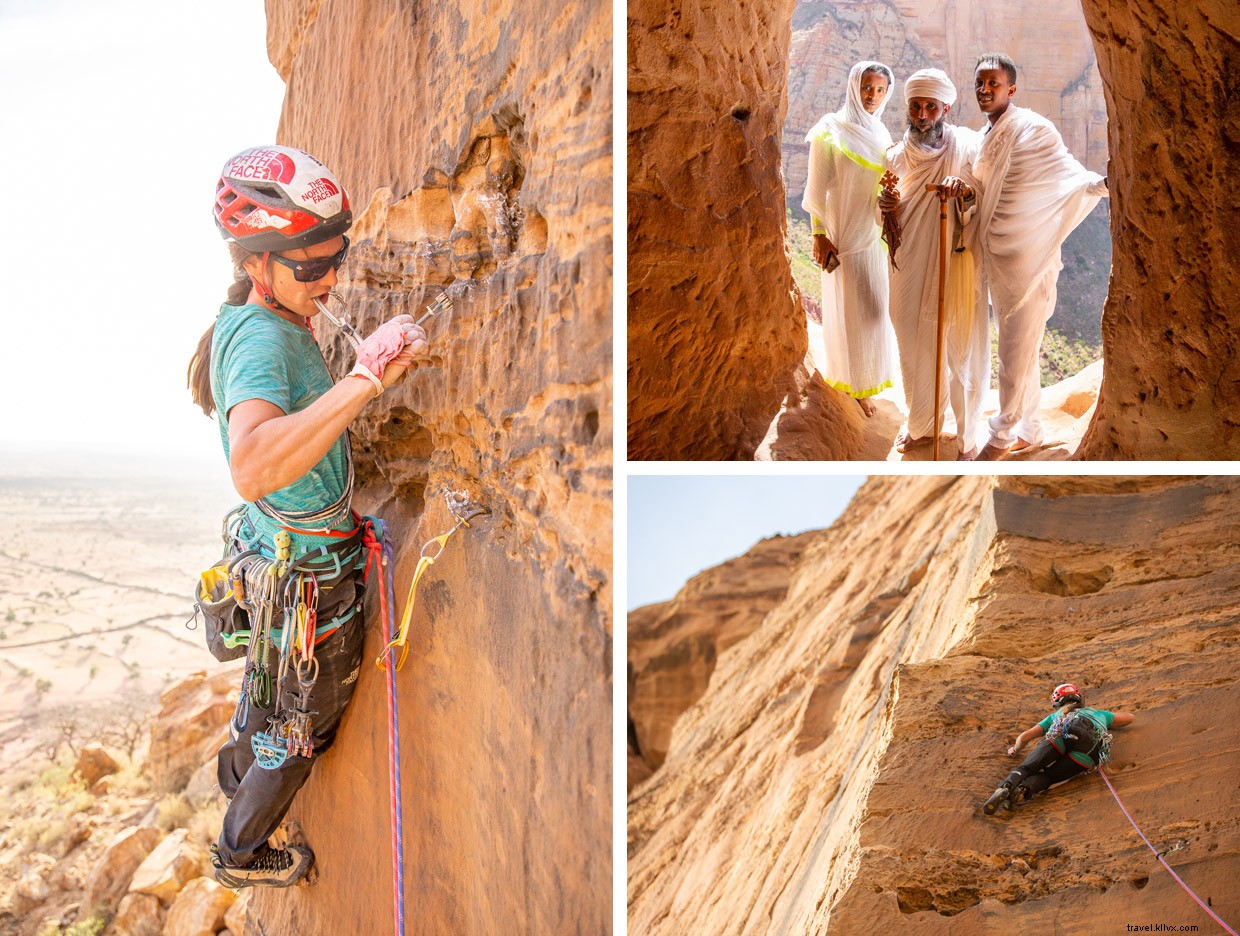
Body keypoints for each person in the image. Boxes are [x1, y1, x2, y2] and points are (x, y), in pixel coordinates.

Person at [186, 145, 429, 887]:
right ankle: (240, 853)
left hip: (281, 553)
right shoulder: (262, 339)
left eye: (336, 257)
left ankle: (236, 769)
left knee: (269, 685)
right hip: (310, 581)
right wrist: (363, 381)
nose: (329, 278)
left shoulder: (249, 316)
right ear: (257, 262)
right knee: (299, 731)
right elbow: (254, 461)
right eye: (309, 265)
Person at [943, 52, 1108, 461]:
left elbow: (1067, 176)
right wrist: (960, 190)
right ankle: (1031, 431)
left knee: (1013, 353)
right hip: (999, 256)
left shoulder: (1034, 127)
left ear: (1011, 90)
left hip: (1029, 261)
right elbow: (980, 191)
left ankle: (999, 438)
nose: (984, 90)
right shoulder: (984, 139)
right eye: (979, 83)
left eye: (993, 84)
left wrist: (1104, 185)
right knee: (1025, 350)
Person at [879, 69, 988, 459]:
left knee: (956, 339)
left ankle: (965, 436)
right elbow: (885, 214)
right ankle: (923, 424)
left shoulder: (968, 147)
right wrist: (886, 209)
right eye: (915, 106)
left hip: (953, 258)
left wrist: (965, 193)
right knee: (910, 336)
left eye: (930, 107)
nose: (922, 114)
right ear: (907, 107)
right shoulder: (893, 155)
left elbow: (984, 197)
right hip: (906, 263)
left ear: (945, 107)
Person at [802, 60, 900, 418]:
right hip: (843, 234)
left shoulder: (881, 132)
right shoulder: (831, 128)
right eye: (866, 87)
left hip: (875, 235)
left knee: (875, 312)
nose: (872, 95)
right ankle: (856, 385)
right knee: (853, 310)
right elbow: (817, 186)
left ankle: (870, 377)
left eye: (879, 89)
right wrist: (818, 234)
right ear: (853, 87)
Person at [985, 683, 1135, 813]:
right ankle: (1023, 790)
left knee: (1027, 768)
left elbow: (1024, 737)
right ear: (1080, 699)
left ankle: (1006, 786)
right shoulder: (1098, 713)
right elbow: (1130, 718)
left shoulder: (1056, 715)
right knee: (1050, 777)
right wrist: (1106, 721)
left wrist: (1015, 749)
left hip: (1062, 733)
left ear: (1057, 703)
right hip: (1091, 751)